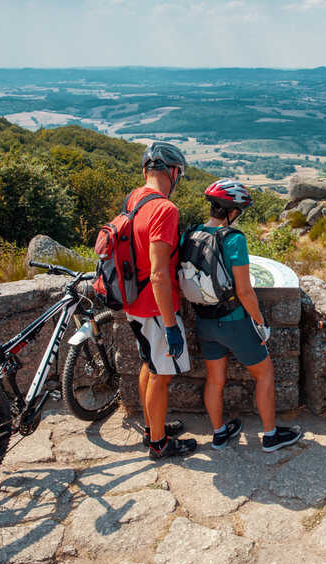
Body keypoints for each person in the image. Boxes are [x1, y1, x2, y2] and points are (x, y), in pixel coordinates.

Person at [194, 179, 302, 452]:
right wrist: (260, 323)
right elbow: (244, 290)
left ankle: (219, 434)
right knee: (264, 373)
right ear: (232, 211)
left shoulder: (192, 234)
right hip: (234, 322)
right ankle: (270, 436)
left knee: (214, 380)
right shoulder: (234, 239)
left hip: (204, 320)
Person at [125, 141, 196, 459]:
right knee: (161, 375)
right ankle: (159, 443)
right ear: (174, 172)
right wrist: (171, 325)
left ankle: (152, 427)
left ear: (145, 171)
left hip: (132, 301)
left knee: (149, 366)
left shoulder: (134, 198)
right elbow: (158, 273)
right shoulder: (165, 209)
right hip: (155, 306)